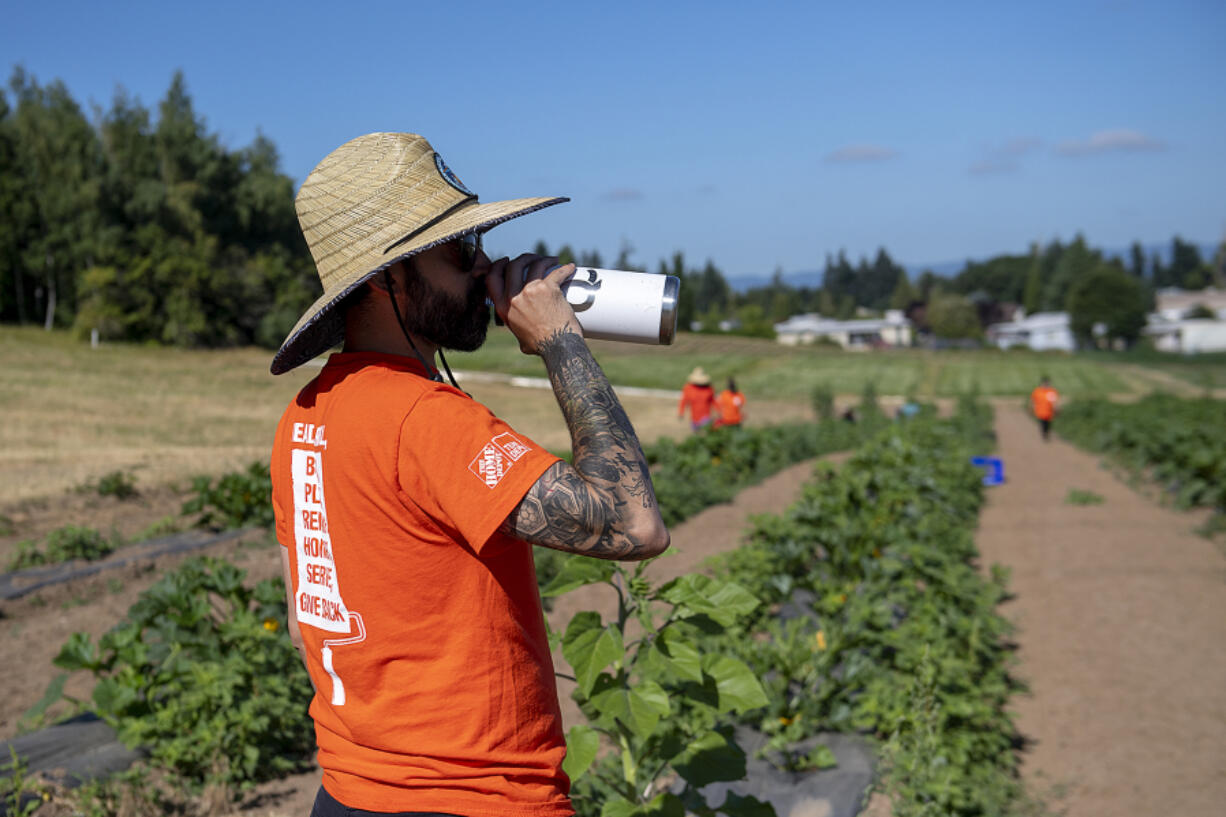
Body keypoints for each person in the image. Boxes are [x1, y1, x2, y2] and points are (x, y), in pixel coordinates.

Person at [268, 132, 669, 817]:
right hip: (476, 796)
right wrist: (559, 339)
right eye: (458, 249)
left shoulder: (303, 418)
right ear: (385, 279)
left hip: (348, 792)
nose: (483, 264)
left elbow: (308, 621)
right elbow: (635, 522)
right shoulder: (426, 419)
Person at [677, 367, 717, 431]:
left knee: (705, 433)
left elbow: (713, 401)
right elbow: (683, 401)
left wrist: (719, 410)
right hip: (694, 418)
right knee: (696, 434)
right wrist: (681, 412)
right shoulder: (688, 388)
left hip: (705, 417)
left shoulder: (708, 388)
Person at [1030, 375, 1059, 441]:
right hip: (1040, 411)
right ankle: (1044, 434)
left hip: (1049, 412)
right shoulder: (1037, 391)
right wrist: (1032, 407)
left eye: (1047, 383)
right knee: (1042, 423)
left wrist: (1056, 409)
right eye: (1045, 383)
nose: (1046, 384)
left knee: (1048, 424)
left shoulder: (1052, 391)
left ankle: (1046, 432)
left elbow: (1055, 402)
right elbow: (1033, 400)